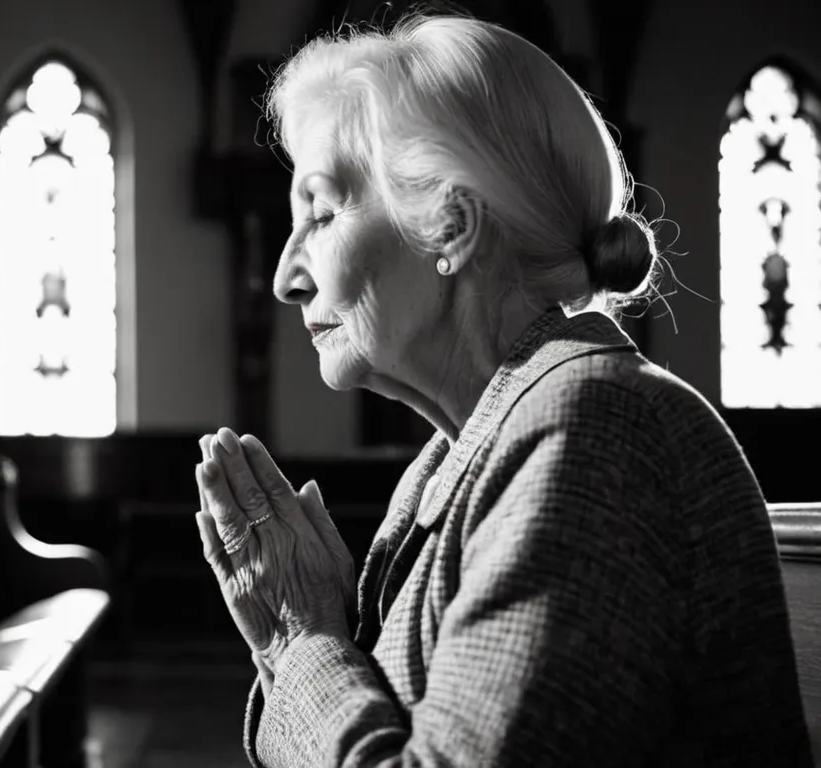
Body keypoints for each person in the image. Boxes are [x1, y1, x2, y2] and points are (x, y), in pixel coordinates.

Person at [193, 10, 812, 767]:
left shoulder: (597, 433)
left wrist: (303, 644)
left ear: (450, 227)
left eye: (320, 213)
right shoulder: (476, 448)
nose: (288, 278)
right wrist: (301, 642)